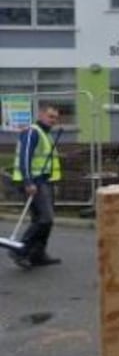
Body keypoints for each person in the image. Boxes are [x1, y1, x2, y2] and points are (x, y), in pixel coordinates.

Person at [8, 105, 63, 269]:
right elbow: (25, 157)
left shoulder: (45, 134)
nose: (53, 120)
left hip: (44, 181)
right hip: (35, 182)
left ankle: (37, 254)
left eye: (55, 118)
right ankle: (19, 250)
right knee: (45, 218)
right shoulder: (32, 132)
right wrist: (28, 182)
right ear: (40, 115)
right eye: (50, 116)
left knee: (43, 219)